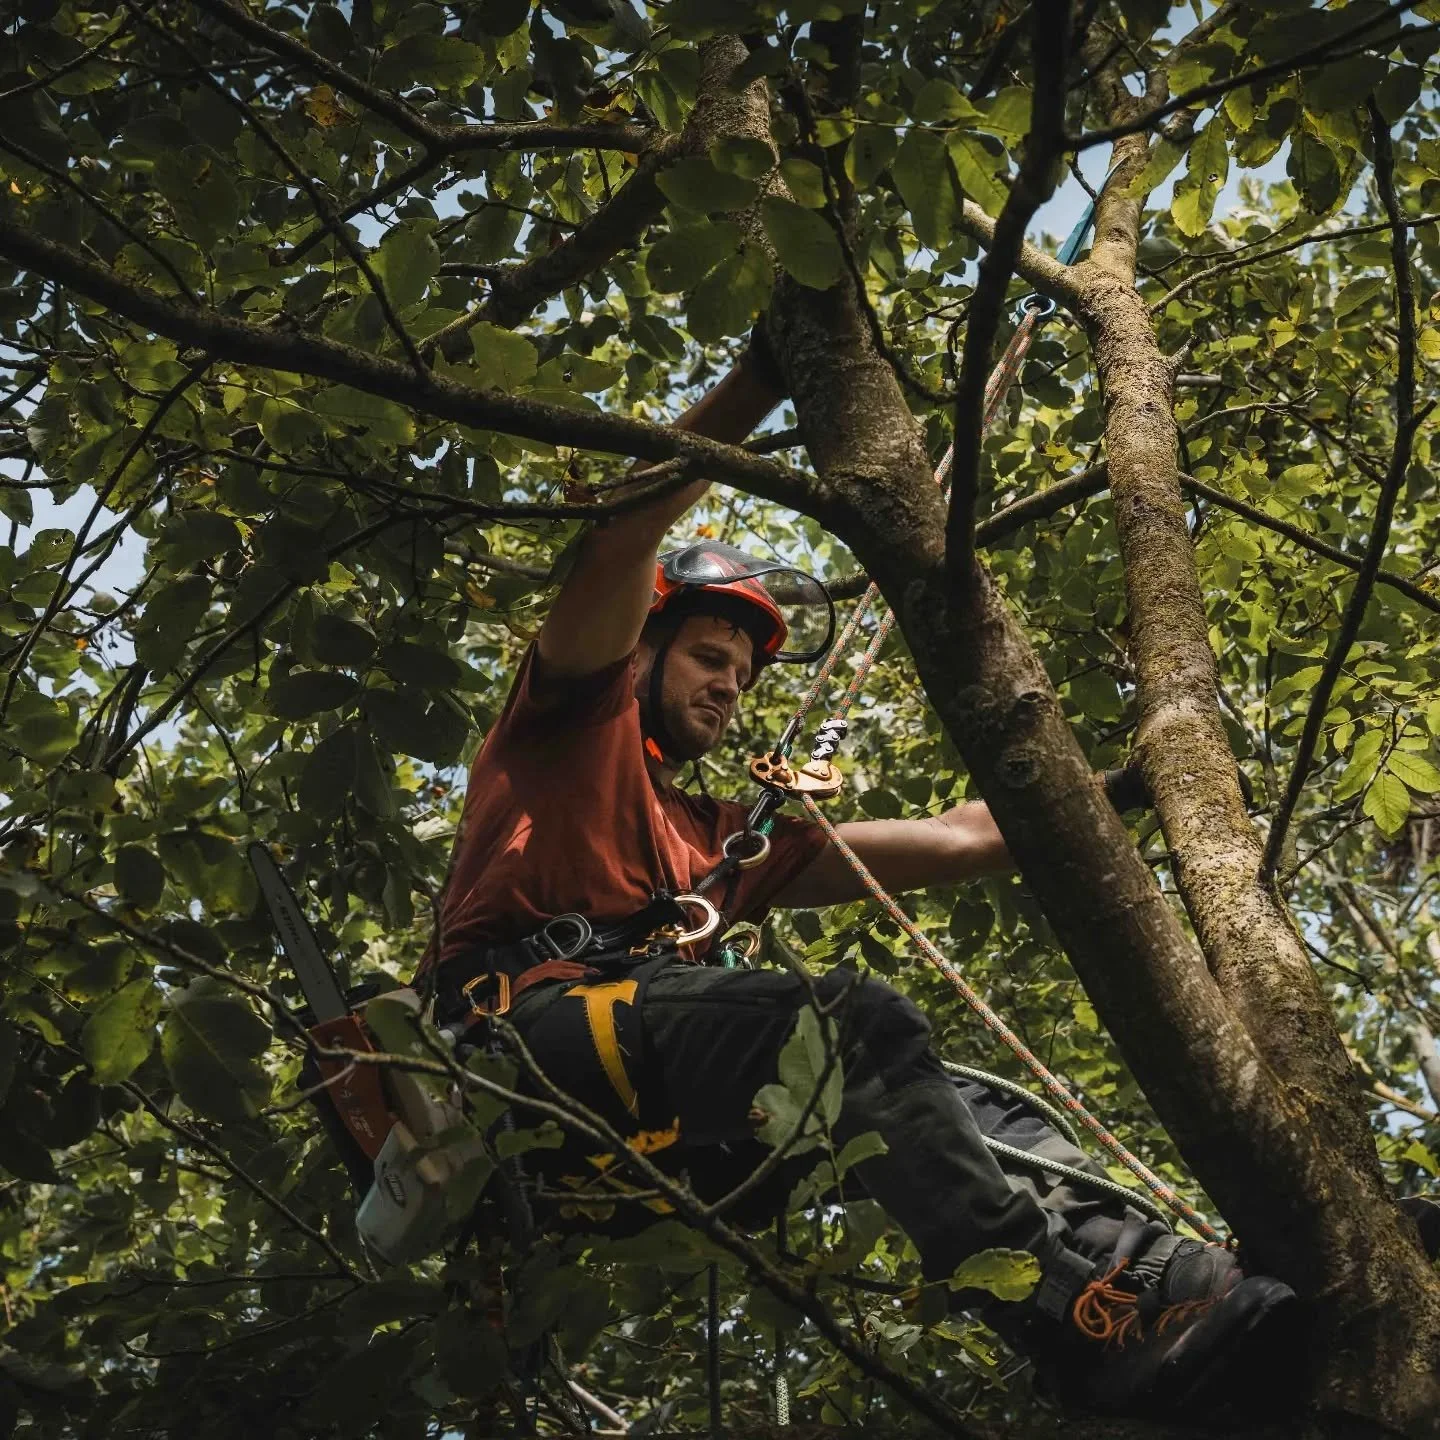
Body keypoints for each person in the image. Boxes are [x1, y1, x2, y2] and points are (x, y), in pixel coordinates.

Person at [421, 344, 1296, 1419]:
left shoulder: (722, 844)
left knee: (974, 1107)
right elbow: (624, 532)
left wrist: (1129, 785)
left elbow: (953, 837)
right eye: (708, 658)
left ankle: (1183, 1281)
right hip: (521, 1045)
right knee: (841, 1025)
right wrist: (762, 376)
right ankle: (1073, 1318)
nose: (729, 690)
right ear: (640, 649)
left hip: (643, 1088)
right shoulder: (566, 725)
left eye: (742, 679)